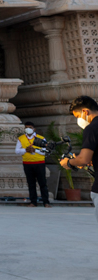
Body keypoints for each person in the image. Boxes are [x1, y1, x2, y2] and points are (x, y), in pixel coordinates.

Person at [60, 96, 98, 226]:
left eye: (78, 116)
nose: (79, 120)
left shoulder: (92, 128)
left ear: (85, 112)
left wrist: (69, 163)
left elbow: (83, 159)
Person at [16, 121, 51, 207]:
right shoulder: (21, 138)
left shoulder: (41, 138)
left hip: (39, 163)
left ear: (34, 129)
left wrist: (35, 150)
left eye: (30, 128)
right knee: (31, 183)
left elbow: (46, 151)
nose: (28, 129)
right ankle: (33, 202)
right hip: (27, 163)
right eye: (26, 128)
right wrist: (25, 150)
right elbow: (17, 151)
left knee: (42, 183)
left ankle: (46, 202)